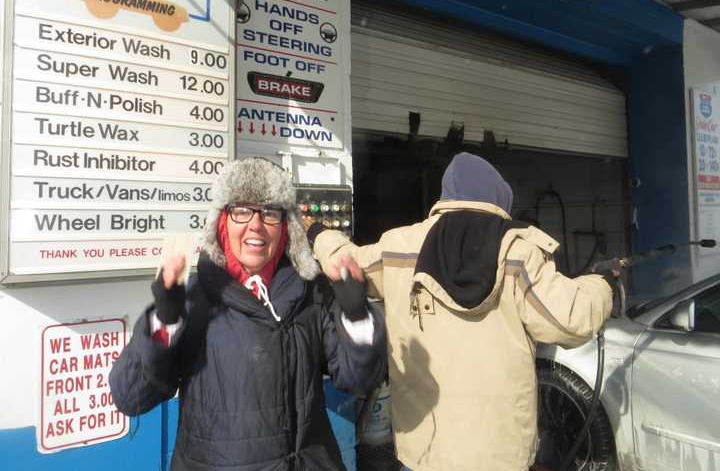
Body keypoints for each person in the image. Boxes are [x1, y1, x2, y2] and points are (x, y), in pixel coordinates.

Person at [308, 152, 613, 471]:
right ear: (499, 198)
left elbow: (345, 262)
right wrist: (601, 283)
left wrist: (317, 233)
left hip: (423, 451)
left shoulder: (399, 245)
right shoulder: (519, 252)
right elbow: (573, 320)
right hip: (499, 455)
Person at [110, 157, 387, 471]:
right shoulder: (193, 301)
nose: (256, 224)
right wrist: (165, 319)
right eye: (241, 210)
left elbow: (360, 378)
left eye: (269, 212)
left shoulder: (312, 293)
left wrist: (355, 315)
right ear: (222, 224)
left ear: (285, 229)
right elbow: (130, 397)